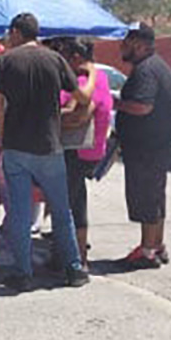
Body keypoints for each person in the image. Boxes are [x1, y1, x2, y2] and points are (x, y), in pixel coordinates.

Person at [0, 14, 93, 291]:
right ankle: (74, 269)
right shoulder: (55, 60)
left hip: (17, 148)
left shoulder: (5, 61)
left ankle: (23, 272)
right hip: (49, 146)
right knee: (61, 210)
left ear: (16, 32)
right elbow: (82, 97)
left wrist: (2, 135)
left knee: (21, 213)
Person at [115, 24, 171, 269]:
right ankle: (157, 244)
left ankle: (147, 250)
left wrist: (116, 104)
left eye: (127, 43)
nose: (123, 47)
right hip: (157, 146)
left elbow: (142, 106)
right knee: (155, 196)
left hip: (147, 147)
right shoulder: (157, 66)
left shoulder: (146, 71)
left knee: (147, 197)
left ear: (140, 45)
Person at [58, 39, 113, 270]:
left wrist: (52, 120)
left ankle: (77, 259)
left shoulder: (84, 81)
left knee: (73, 203)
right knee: (74, 201)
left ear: (77, 58)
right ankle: (74, 255)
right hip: (86, 151)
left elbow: (80, 116)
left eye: (64, 57)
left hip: (77, 150)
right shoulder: (100, 76)